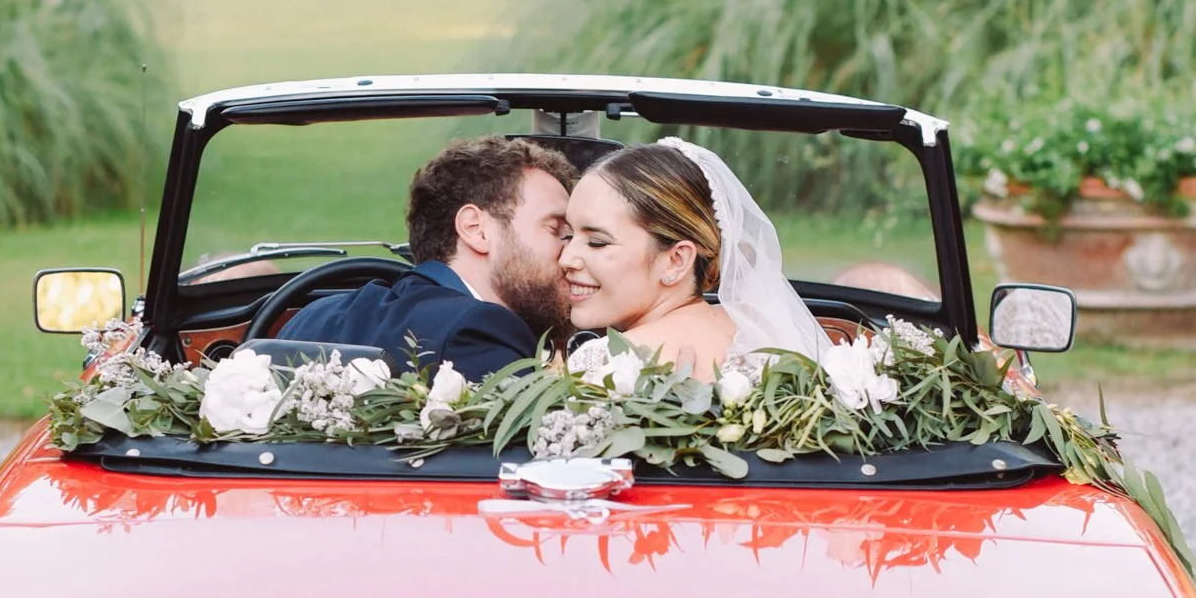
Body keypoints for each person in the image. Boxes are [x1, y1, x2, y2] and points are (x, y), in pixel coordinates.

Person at [559, 136, 865, 382]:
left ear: (676, 260)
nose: (567, 258)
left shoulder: (609, 364)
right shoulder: (760, 331)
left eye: (597, 242)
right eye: (568, 235)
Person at [287, 135, 575, 381]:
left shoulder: (314, 315)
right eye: (557, 229)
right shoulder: (480, 331)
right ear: (476, 229)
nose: (574, 253)